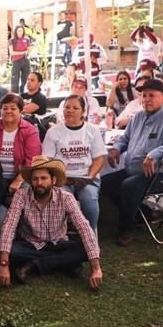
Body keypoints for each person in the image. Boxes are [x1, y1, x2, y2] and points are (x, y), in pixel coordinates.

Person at [103, 78, 163, 246]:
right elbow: (125, 138)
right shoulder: (138, 116)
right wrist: (116, 149)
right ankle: (142, 214)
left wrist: (155, 154)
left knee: (129, 186)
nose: (147, 99)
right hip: (136, 169)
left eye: (152, 95)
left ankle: (126, 229)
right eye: (144, 95)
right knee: (105, 183)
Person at [0, 156, 102, 289]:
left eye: (43, 178)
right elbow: (9, 226)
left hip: (59, 243)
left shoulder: (66, 198)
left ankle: (33, 265)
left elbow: (84, 227)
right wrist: (4, 264)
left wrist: (96, 269)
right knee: (6, 250)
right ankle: (65, 262)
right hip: (30, 244)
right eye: (35, 179)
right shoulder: (21, 196)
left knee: (87, 249)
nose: (39, 183)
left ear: (53, 180)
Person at [42, 95, 106, 231]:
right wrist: (60, 177)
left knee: (89, 197)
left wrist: (89, 177)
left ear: (83, 112)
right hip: (62, 179)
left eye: (75, 108)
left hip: (87, 177)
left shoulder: (92, 130)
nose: (70, 110)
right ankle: (60, 235)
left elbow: (99, 158)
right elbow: (47, 160)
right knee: (61, 198)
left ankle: (90, 233)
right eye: (67, 107)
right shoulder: (53, 132)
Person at [0, 93, 42, 200]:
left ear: (20, 110)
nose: (8, 111)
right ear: (0, 111)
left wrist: (18, 180)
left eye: (13, 108)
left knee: (24, 195)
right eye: (5, 108)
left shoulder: (30, 131)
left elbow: (32, 161)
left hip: (22, 177)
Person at [8, 25, 32, 93]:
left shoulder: (26, 39)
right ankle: (15, 95)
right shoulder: (12, 40)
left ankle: (23, 93)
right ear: (16, 31)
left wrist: (28, 53)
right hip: (16, 61)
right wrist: (24, 52)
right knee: (15, 80)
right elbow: (12, 53)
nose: (20, 32)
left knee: (26, 78)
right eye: (18, 30)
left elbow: (29, 50)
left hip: (25, 60)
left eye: (21, 30)